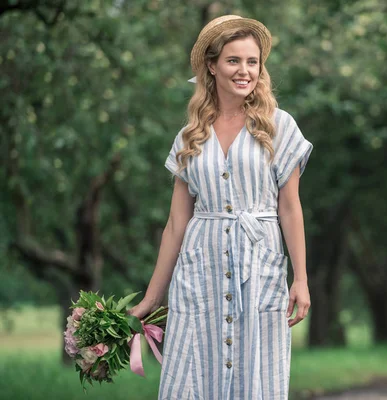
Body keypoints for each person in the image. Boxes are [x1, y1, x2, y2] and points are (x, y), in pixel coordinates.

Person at [129, 15, 313, 399]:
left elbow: (290, 209)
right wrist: (151, 297)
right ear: (212, 66)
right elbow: (177, 224)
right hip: (200, 273)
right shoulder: (189, 136)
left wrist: (300, 278)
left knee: (257, 378)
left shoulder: (279, 126)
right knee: (192, 376)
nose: (244, 71)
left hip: (258, 268)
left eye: (252, 61)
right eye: (234, 60)